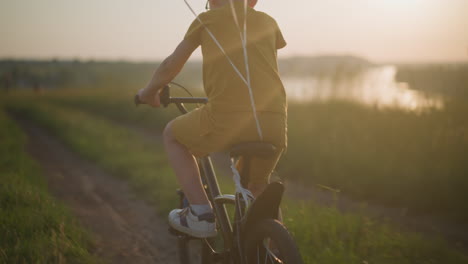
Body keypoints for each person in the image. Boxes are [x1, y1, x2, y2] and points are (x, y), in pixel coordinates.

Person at [137, 0, 287, 238]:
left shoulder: (206, 20)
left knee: (172, 135)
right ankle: (278, 249)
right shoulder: (269, 22)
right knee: (259, 187)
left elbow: (170, 66)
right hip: (274, 122)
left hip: (226, 118)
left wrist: (149, 92)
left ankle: (201, 214)